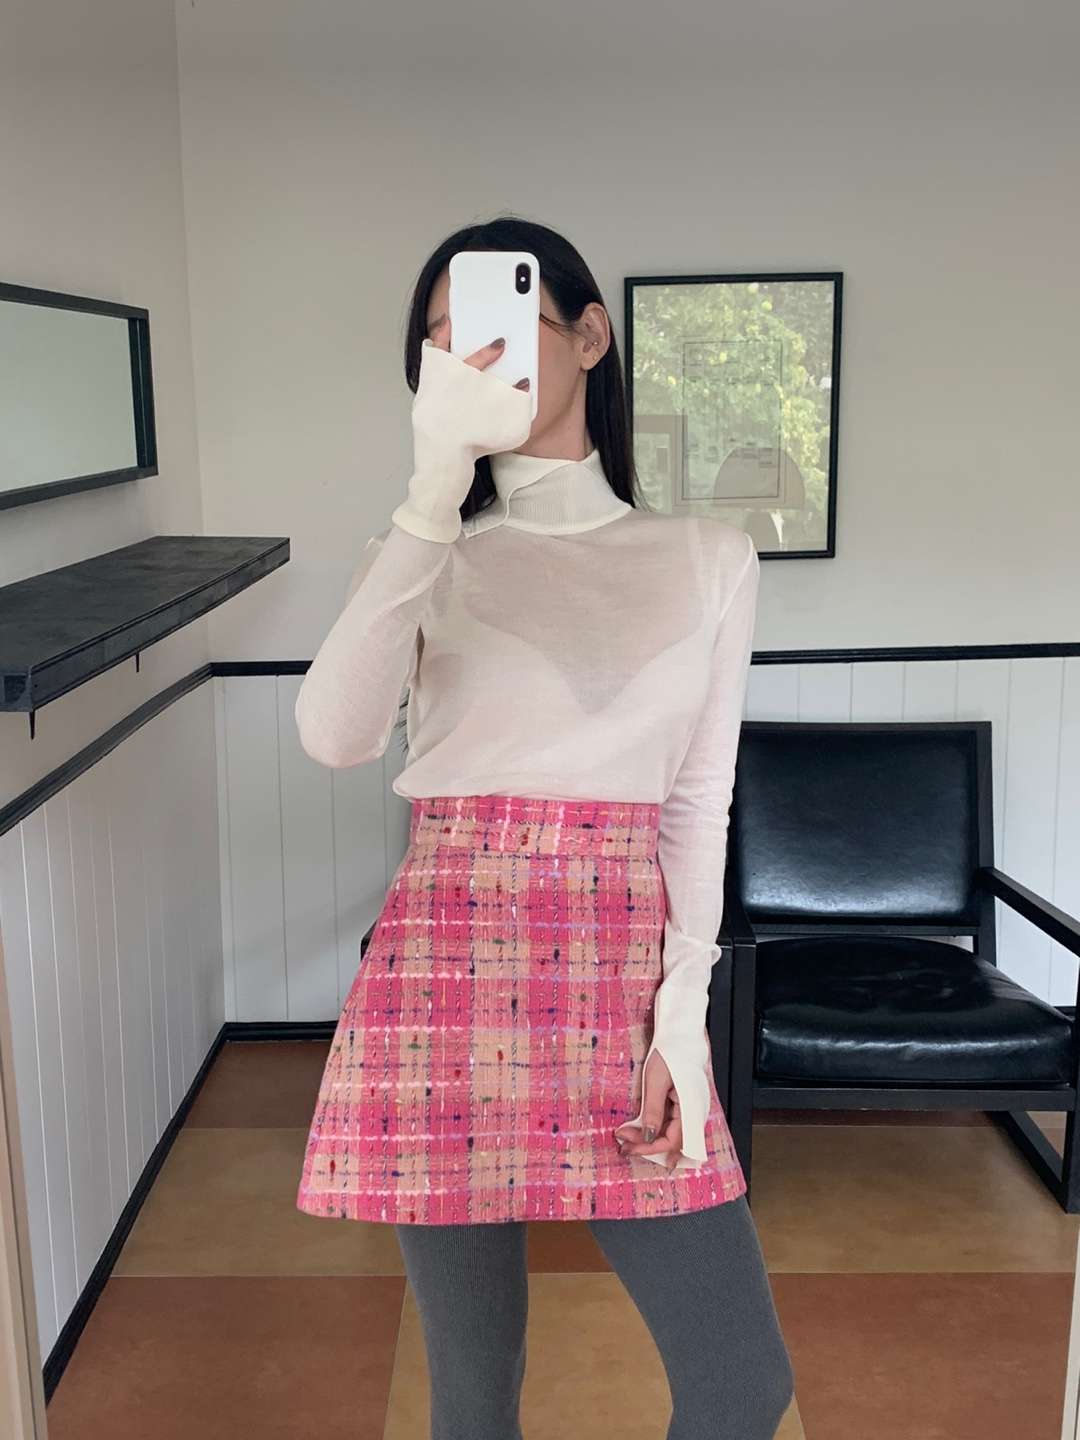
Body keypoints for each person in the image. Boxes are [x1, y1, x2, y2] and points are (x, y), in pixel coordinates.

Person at [292, 215, 794, 1439]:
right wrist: (430, 488)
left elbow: (696, 803)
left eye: (499, 329)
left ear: (589, 336)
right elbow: (334, 736)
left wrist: (681, 1017)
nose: (471, 361)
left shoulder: (710, 558)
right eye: (442, 347)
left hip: (622, 972)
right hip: (443, 968)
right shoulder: (421, 551)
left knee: (741, 1382)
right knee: (474, 1400)